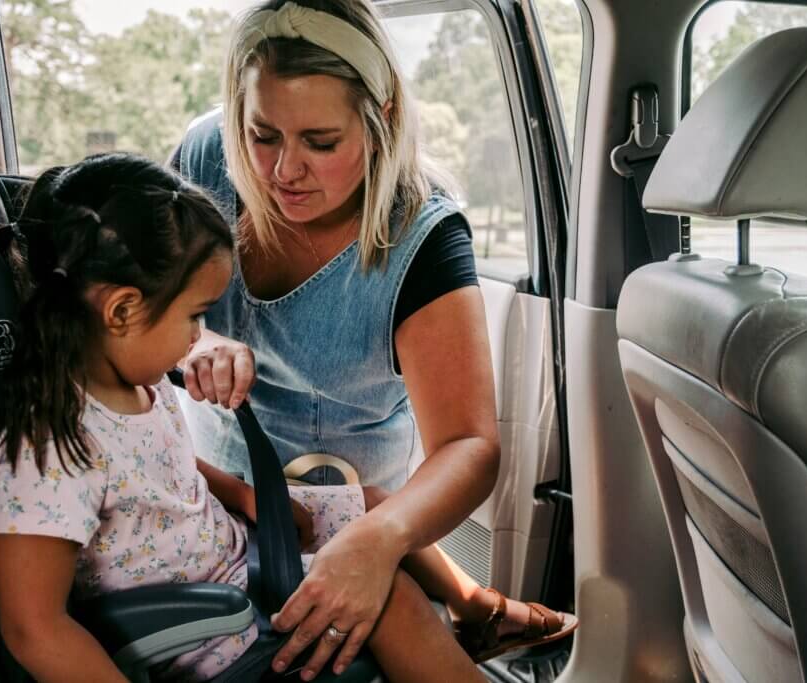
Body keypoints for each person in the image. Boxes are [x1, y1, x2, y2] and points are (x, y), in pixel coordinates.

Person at [0, 153, 571, 683]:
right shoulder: (49, 448)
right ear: (121, 310)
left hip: (238, 560)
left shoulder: (135, 387)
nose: (200, 337)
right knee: (389, 597)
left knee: (367, 502)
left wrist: (244, 496)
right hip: (216, 630)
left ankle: (475, 610)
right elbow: (31, 628)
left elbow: (170, 468)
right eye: (194, 317)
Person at [172, 0, 577, 674]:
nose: (281, 171)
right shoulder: (206, 155)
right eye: (262, 134)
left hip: (356, 501)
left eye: (320, 142)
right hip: (219, 490)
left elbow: (469, 445)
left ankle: (474, 606)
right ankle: (478, 605)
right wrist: (194, 340)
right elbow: (136, 305)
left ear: (381, 116)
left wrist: (379, 539)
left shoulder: (422, 237)